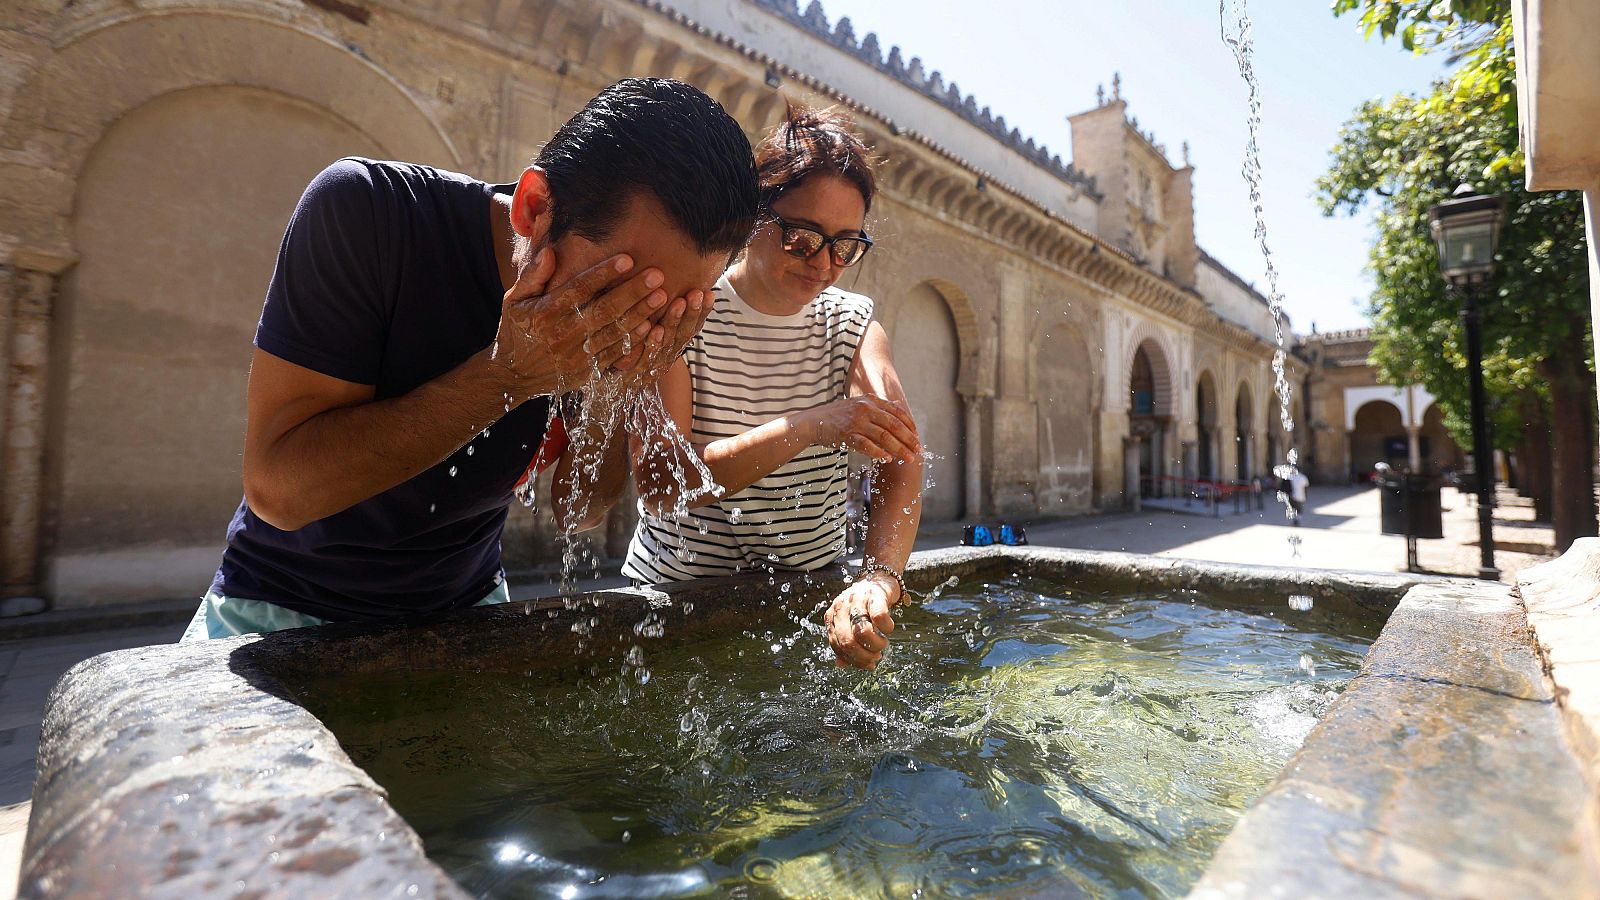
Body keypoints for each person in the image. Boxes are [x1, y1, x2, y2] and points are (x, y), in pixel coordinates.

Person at [181, 79, 759, 640]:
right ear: (535, 209)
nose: (634, 322)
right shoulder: (373, 215)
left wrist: (623, 385)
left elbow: (577, 511)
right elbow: (279, 492)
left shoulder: (620, 314)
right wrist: (508, 375)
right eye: (619, 295)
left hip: (469, 610)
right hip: (281, 606)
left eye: (673, 307)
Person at [625, 105, 924, 671]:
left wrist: (879, 578)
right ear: (753, 213)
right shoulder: (688, 308)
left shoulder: (853, 324)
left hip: (806, 599)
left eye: (845, 246)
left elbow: (901, 458)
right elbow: (661, 481)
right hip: (675, 602)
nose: (824, 264)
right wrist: (812, 425)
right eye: (802, 237)